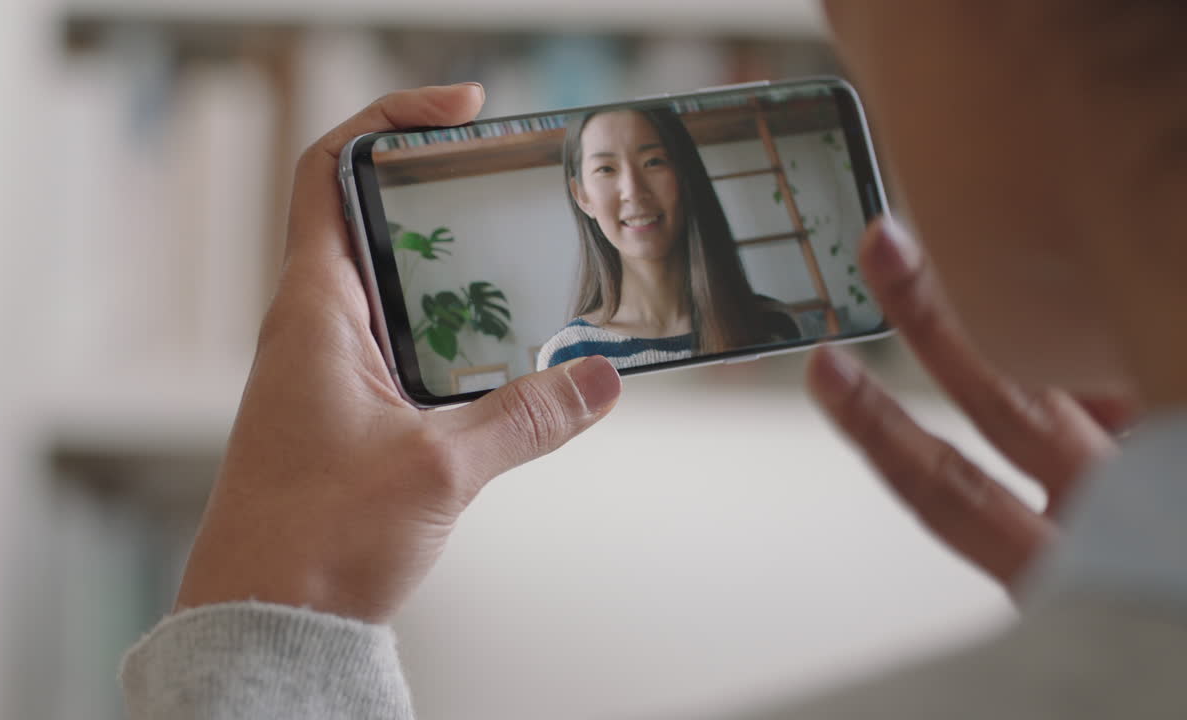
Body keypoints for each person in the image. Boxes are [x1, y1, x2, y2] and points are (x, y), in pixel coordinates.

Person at [121, 1, 1187, 717]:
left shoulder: (764, 301)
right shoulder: (562, 347)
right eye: (603, 172)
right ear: (583, 199)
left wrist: (273, 597)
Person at [536, 107, 799, 371]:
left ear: (685, 175)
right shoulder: (567, 357)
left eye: (653, 162)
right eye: (606, 169)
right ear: (582, 196)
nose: (633, 191)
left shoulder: (774, 326)